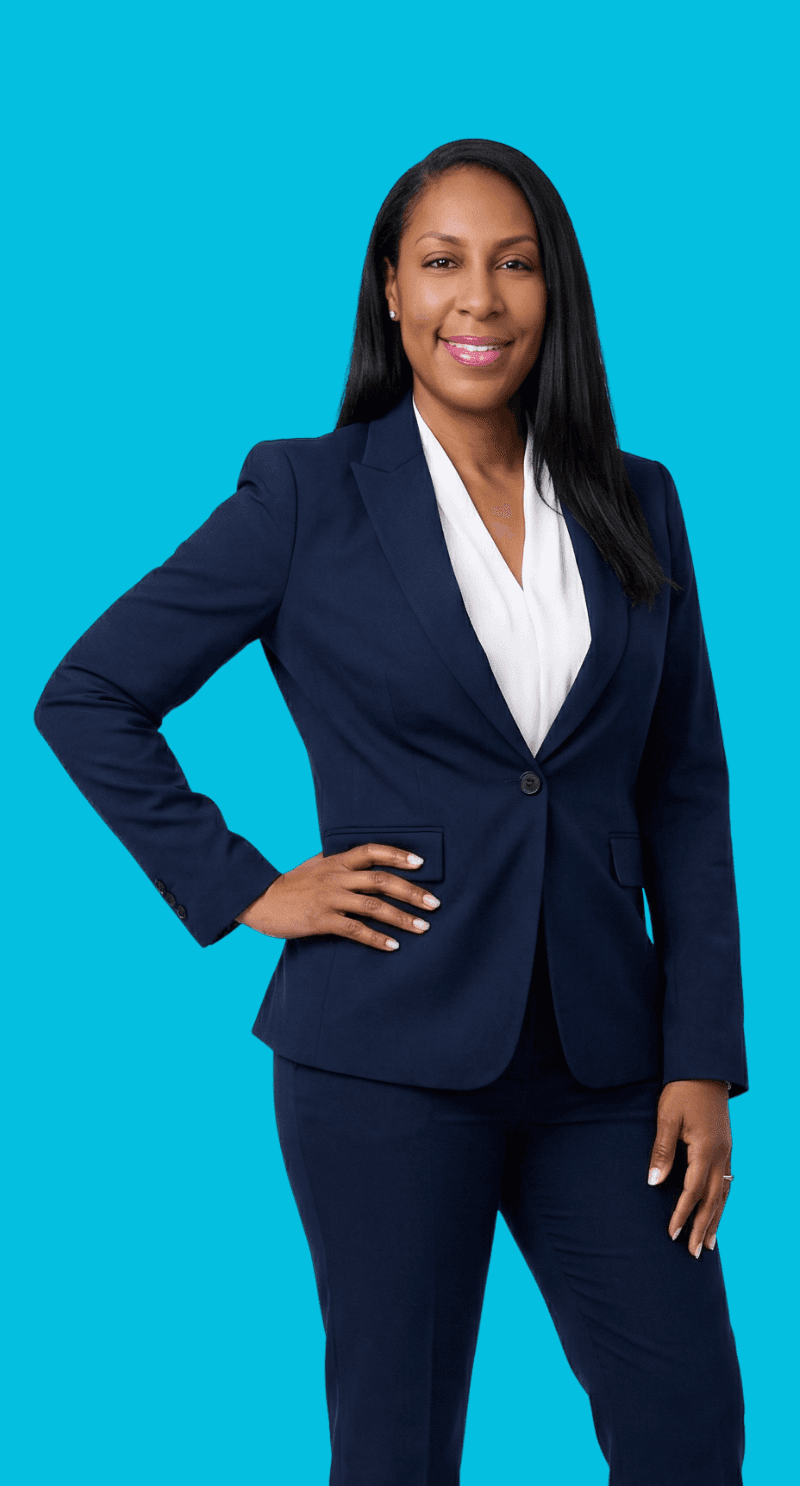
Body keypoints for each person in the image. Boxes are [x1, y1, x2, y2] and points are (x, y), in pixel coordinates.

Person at [34, 138, 748, 1484]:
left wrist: (703, 1053)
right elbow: (90, 695)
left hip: (611, 1061)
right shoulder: (306, 494)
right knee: (399, 1447)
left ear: (555, 290)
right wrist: (249, 886)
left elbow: (684, 786)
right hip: (385, 1055)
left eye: (514, 263)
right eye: (442, 263)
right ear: (390, 290)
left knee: (688, 1422)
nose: (479, 298)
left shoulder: (638, 499)